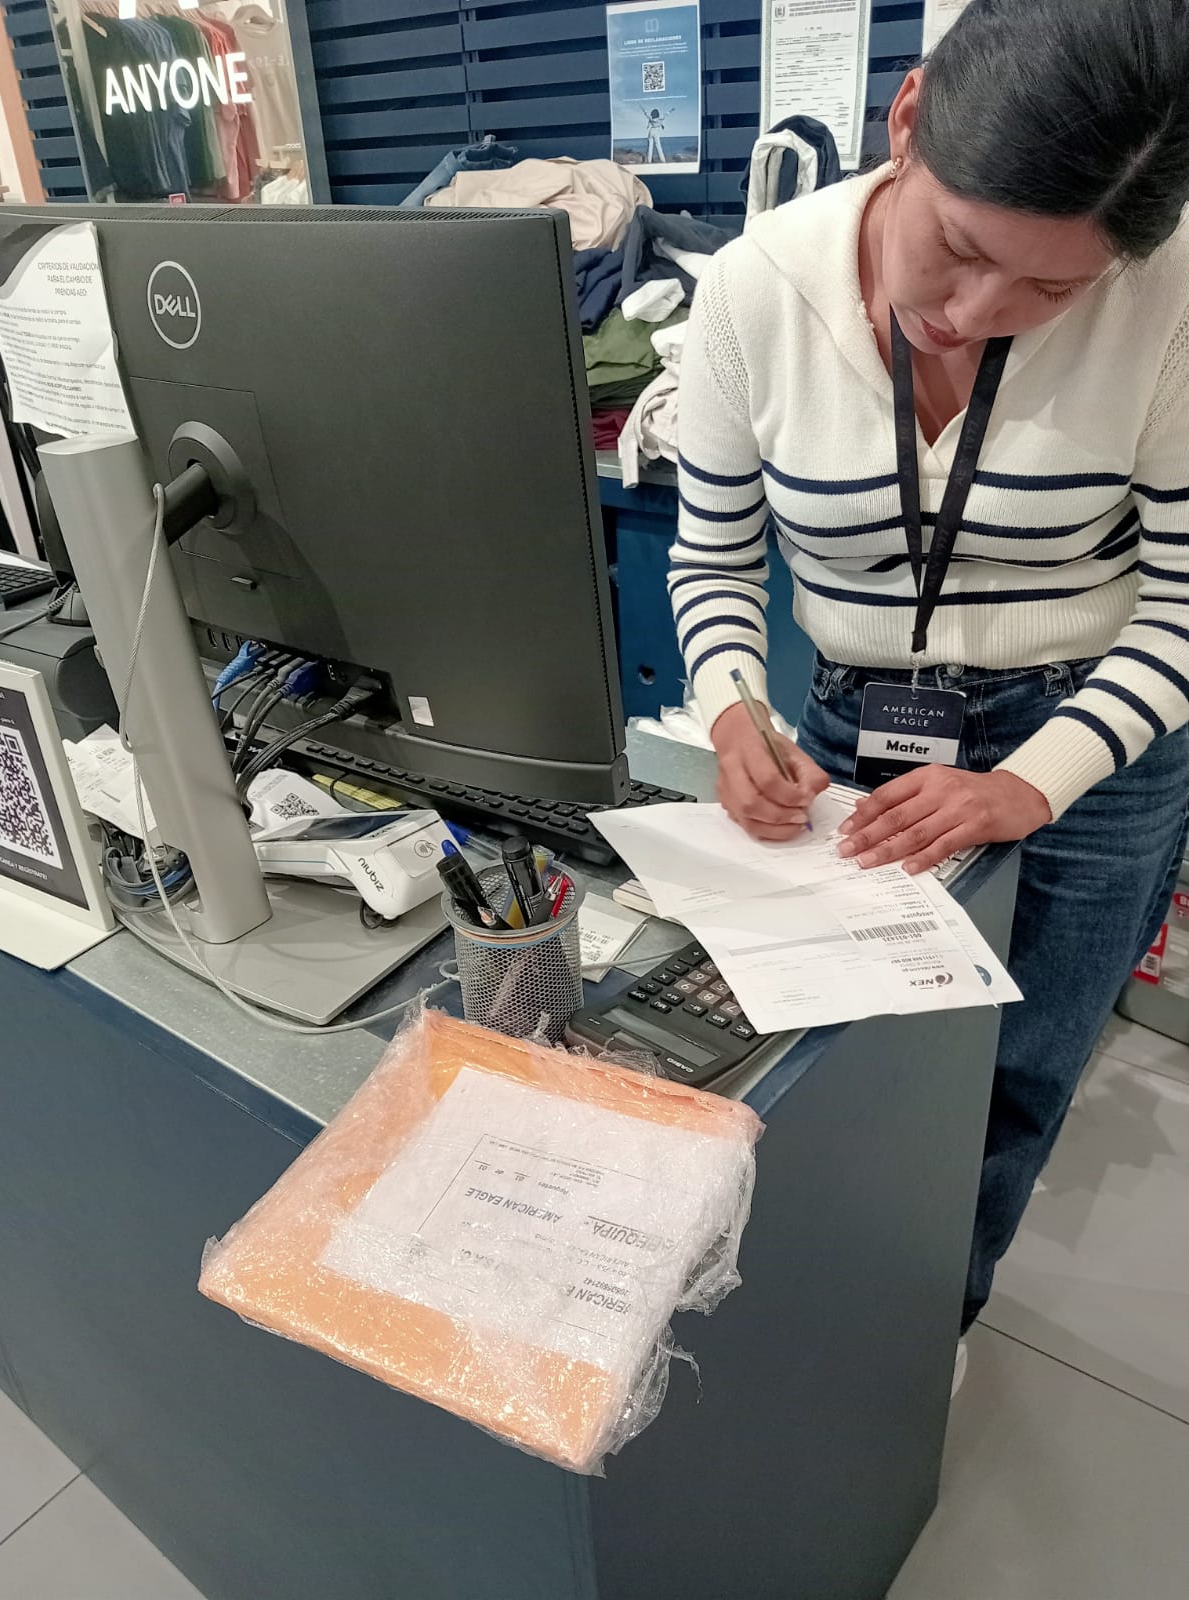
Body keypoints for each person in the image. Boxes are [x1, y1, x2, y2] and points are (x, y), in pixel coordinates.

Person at [670, 0, 1189, 1347]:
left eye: (1053, 292)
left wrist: (1032, 783)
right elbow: (714, 559)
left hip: (1089, 735)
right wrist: (733, 709)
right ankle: (826, 1322)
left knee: (1018, 1077)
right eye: (959, 248)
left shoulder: (1170, 292)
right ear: (907, 121)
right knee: (841, 1064)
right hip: (858, 723)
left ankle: (923, 1339)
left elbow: (1185, 608)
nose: (973, 317)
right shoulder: (756, 289)